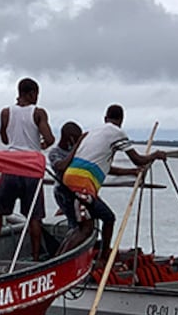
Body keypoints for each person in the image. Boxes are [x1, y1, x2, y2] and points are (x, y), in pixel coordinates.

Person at [62, 104, 166, 259]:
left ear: (105, 118)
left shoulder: (92, 133)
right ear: (121, 120)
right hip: (82, 185)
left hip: (70, 179)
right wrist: (155, 155)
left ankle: (102, 255)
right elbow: (138, 160)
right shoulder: (117, 133)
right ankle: (74, 260)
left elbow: (103, 166)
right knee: (87, 229)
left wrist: (130, 172)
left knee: (104, 218)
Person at [0, 78, 54, 262]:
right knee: (34, 217)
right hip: (31, 168)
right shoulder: (38, 113)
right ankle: (36, 256)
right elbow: (50, 139)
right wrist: (39, 145)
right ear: (31, 93)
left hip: (11, 165)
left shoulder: (5, 112)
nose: (37, 97)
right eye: (36, 94)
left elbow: (4, 138)